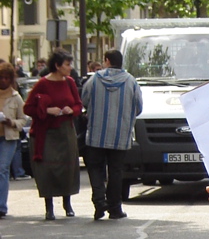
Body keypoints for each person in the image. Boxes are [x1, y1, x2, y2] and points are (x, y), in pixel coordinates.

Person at [80, 48, 143, 220]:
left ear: (107, 60)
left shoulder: (94, 80)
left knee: (95, 168)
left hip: (96, 134)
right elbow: (139, 107)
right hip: (120, 135)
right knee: (115, 171)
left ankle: (99, 202)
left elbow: (84, 100)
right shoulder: (131, 82)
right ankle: (115, 208)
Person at [23, 48, 82, 219]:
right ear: (57, 66)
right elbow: (28, 107)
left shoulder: (70, 82)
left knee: (67, 167)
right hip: (46, 132)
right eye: (67, 64)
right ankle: (49, 207)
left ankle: (67, 203)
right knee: (47, 169)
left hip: (65, 130)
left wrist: (72, 110)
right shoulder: (42, 84)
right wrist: (47, 110)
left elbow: (78, 105)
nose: (70, 67)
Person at [0, 62, 28, 218]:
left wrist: (11, 122)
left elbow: (23, 120)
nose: (3, 80)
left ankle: (1, 206)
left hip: (8, 137)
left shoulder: (15, 97)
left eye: (6, 78)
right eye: (1, 78)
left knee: (2, 169)